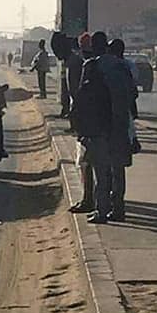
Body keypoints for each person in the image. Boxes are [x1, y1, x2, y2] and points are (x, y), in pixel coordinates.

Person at [72, 31, 135, 223]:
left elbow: (82, 98)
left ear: (93, 47)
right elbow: (132, 94)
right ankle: (119, 209)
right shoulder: (122, 66)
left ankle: (102, 210)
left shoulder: (91, 66)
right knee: (118, 169)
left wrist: (79, 126)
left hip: (99, 126)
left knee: (101, 170)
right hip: (121, 124)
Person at [68, 33, 95, 212]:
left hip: (88, 123)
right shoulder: (102, 64)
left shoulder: (85, 65)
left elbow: (78, 96)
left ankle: (88, 199)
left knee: (86, 163)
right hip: (102, 122)